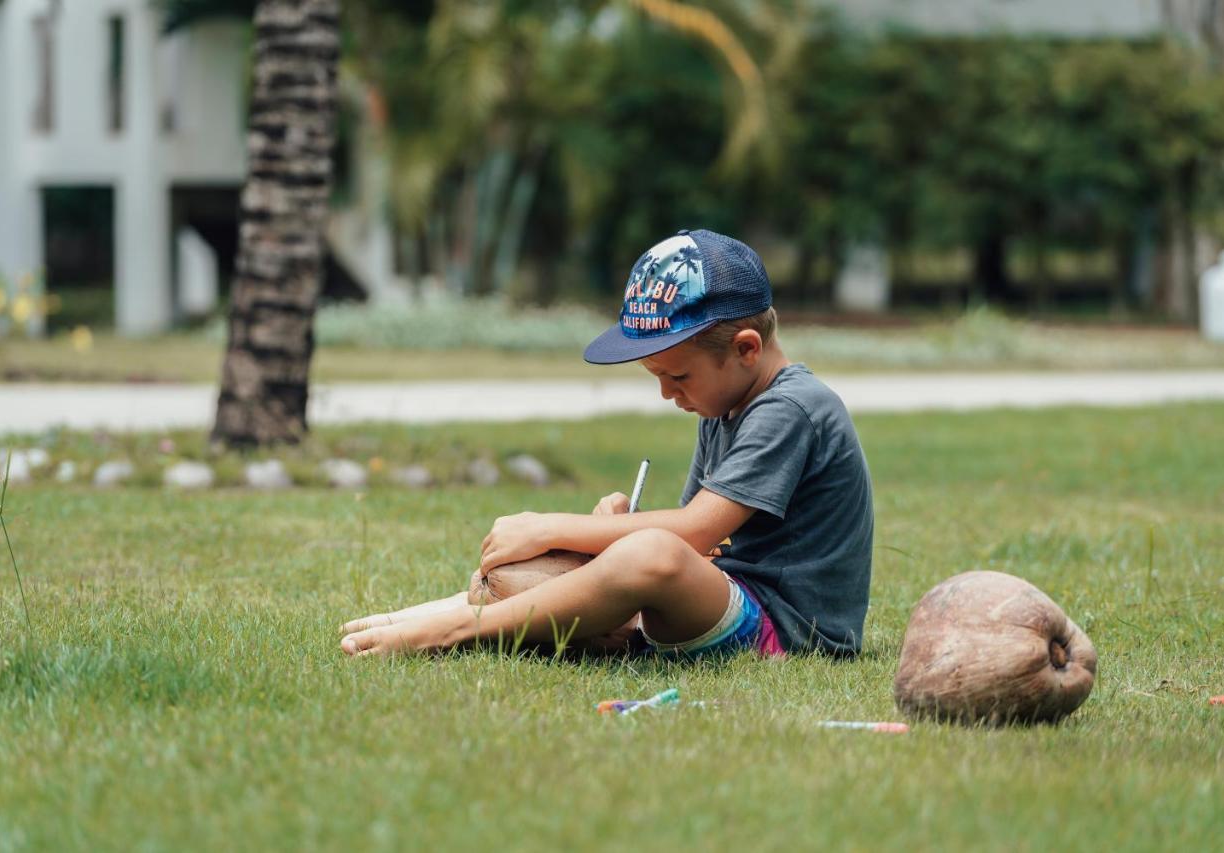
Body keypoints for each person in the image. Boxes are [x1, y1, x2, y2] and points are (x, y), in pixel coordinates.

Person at [339, 229, 874, 658]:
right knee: (602, 556)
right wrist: (608, 534)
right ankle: (437, 612)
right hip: (725, 601)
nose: (667, 393)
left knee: (647, 551)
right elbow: (706, 547)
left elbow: (692, 533)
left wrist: (553, 526)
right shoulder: (725, 403)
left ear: (745, 349)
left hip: (788, 634)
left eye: (678, 377)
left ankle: (458, 629)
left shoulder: (791, 408)